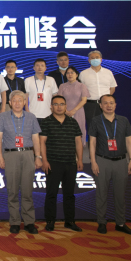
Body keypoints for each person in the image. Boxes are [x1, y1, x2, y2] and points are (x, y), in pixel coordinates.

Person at [0, 90, 42, 235]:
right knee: (13, 191)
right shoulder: (3, 116)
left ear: (24, 102)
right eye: (14, 100)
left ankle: (29, 222)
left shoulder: (31, 117)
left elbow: (36, 138)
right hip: (10, 155)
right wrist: (0, 157)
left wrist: (38, 156)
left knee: (27, 191)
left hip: (28, 154)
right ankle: (14, 222)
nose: (17, 103)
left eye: (20, 100)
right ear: (9, 102)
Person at [89, 94, 131, 235]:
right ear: (100, 105)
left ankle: (120, 223)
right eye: (105, 103)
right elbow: (92, 142)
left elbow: (129, 141)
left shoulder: (123, 120)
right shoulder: (96, 121)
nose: (108, 105)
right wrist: (93, 162)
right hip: (102, 161)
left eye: (111, 103)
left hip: (121, 161)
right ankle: (101, 222)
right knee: (101, 194)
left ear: (115, 105)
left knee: (120, 195)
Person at [40, 95, 84, 232]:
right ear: (51, 107)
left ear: (66, 106)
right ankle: (50, 221)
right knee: (51, 193)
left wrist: (80, 159)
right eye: (56, 104)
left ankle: (70, 221)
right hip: (53, 163)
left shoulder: (73, 122)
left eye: (62, 104)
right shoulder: (46, 122)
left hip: (70, 163)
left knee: (69, 194)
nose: (59, 107)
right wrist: (44, 160)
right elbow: (42, 142)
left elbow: (78, 142)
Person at [80, 50, 117, 128]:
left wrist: (106, 99)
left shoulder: (108, 72)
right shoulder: (83, 74)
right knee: (92, 127)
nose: (95, 59)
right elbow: (81, 90)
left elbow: (112, 88)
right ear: (89, 60)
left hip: (106, 104)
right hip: (90, 105)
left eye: (97, 57)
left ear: (101, 59)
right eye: (92, 58)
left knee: (107, 126)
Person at [56, 67, 90, 142]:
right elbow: (60, 100)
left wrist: (73, 111)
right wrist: (66, 111)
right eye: (68, 73)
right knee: (65, 132)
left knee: (78, 132)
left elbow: (84, 100)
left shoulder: (82, 86)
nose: (70, 74)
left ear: (77, 75)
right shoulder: (62, 86)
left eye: (72, 72)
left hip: (78, 111)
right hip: (65, 112)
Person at [24, 59, 58, 123]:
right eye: (37, 65)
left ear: (45, 68)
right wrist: (27, 110)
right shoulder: (28, 80)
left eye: (42, 65)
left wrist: (54, 110)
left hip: (48, 113)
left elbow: (55, 96)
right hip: (33, 114)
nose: (40, 67)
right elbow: (25, 97)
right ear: (34, 68)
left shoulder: (51, 80)